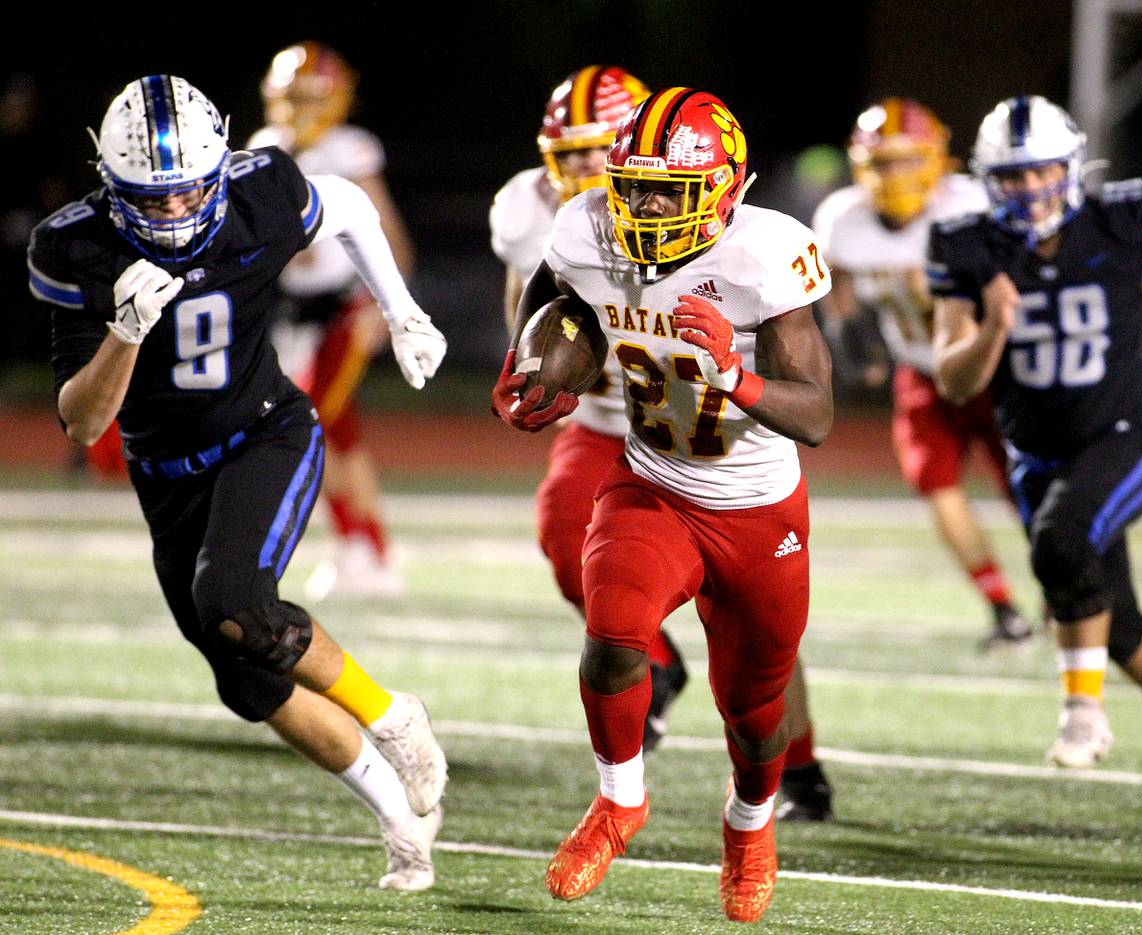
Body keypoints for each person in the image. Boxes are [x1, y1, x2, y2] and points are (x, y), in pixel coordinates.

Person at [28, 75, 449, 889]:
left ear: (220, 168)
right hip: (164, 470)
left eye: (191, 192)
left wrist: (400, 310)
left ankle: (395, 716)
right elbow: (81, 423)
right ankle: (401, 820)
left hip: (264, 430)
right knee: (245, 679)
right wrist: (123, 334)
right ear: (111, 189)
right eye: (156, 200)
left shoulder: (263, 189)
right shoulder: (75, 247)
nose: (179, 213)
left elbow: (353, 211)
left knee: (236, 601)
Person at [492, 87, 834, 922]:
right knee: (613, 635)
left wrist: (735, 373)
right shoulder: (583, 227)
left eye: (665, 190)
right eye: (633, 185)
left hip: (759, 510)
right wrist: (534, 367)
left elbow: (818, 415)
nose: (644, 206)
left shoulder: (765, 256)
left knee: (756, 719)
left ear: (722, 188)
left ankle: (749, 825)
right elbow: (555, 301)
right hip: (654, 483)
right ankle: (620, 800)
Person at [929, 95, 1142, 797]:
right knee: (1108, 609)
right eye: (1013, 176)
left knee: (1061, 546)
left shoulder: (1119, 224)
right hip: (1037, 455)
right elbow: (950, 375)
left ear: (1072, 168)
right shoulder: (967, 246)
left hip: (1126, 434)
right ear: (988, 179)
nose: (1030, 189)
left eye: (1041, 173)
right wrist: (992, 328)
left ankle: (1082, 713)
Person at [489, 65, 690, 752]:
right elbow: (526, 291)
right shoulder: (528, 207)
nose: (580, 165)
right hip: (605, 415)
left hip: (697, 421)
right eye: (566, 152)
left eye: (595, 147)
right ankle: (654, 657)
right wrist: (529, 361)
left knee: (745, 607)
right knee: (562, 529)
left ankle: (801, 768)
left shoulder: (678, 203)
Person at [812, 97, 1032, 655]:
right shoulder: (843, 218)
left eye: (908, 160)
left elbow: (1016, 291)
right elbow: (834, 281)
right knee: (934, 485)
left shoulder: (972, 208)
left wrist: (934, 294)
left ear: (937, 158)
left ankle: (1063, 585)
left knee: (1026, 489)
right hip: (921, 371)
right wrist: (846, 333)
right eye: (882, 163)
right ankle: (1004, 607)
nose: (895, 176)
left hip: (997, 366)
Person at [249, 41, 413, 601]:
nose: (303, 109)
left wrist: (388, 306)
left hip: (347, 306)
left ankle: (359, 547)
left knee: (310, 425)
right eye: (293, 97)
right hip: (295, 316)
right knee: (337, 435)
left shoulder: (350, 150)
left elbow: (388, 233)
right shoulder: (266, 149)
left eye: (314, 97)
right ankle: (366, 552)